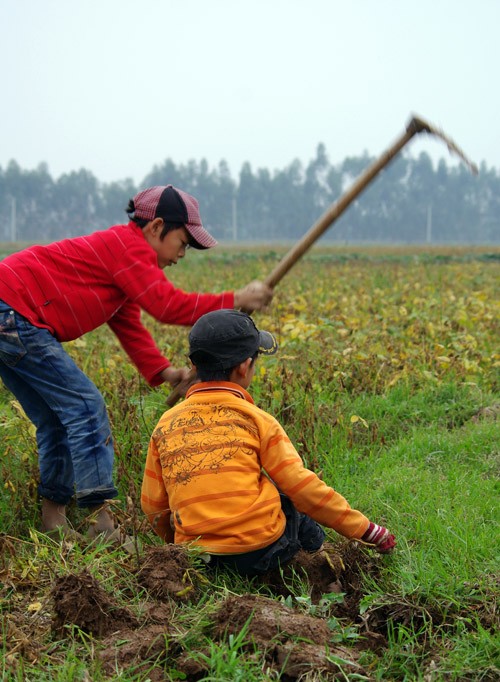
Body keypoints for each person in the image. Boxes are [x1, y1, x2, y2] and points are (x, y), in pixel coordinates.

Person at [0, 185, 273, 539]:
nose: (181, 255)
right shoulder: (128, 248)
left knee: (55, 419)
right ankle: (101, 525)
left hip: (9, 312)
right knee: (85, 408)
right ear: (157, 227)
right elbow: (166, 305)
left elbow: (129, 325)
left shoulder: (120, 260)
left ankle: (54, 522)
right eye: (182, 242)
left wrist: (163, 371)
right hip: (15, 310)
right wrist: (236, 298)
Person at [141, 309, 396, 576]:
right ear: (244, 367)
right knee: (290, 496)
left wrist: (177, 545)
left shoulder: (165, 424)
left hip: (198, 557)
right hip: (260, 553)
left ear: (194, 367)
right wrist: (366, 529)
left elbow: (153, 505)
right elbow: (304, 489)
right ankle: (324, 571)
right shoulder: (257, 420)